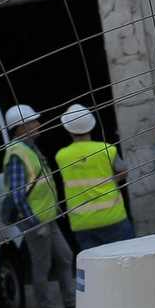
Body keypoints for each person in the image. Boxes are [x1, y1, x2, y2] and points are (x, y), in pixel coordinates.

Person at [2, 106, 75, 308]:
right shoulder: (17, 153)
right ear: (21, 127)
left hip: (47, 217)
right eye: (33, 122)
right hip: (35, 221)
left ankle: (71, 306)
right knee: (42, 267)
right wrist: (35, 225)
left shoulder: (29, 147)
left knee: (64, 257)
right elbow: (17, 194)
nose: (38, 124)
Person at [54, 105, 135, 251]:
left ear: (68, 129)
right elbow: (123, 172)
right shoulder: (107, 149)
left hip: (82, 223)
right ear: (92, 126)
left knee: (94, 268)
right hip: (113, 217)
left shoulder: (61, 156)